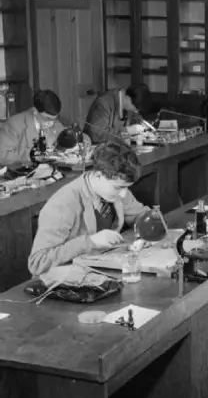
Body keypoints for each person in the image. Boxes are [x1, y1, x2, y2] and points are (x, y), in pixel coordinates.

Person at [28, 141, 148, 276]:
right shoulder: (63, 203)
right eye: (119, 187)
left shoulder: (117, 188)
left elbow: (143, 216)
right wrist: (90, 242)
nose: (124, 194)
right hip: (65, 281)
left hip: (99, 270)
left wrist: (146, 232)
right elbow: (37, 262)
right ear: (98, 175)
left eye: (127, 187)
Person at [0, 89, 66, 164]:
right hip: (23, 173)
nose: (52, 123)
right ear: (35, 111)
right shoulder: (14, 125)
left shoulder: (56, 124)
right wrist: (30, 155)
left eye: (55, 118)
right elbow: (2, 155)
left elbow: (65, 145)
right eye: (47, 118)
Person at [83, 84, 153, 144]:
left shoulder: (129, 104)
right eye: (135, 109)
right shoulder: (103, 103)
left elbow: (136, 119)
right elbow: (97, 134)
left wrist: (143, 129)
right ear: (128, 98)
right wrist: (127, 131)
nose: (136, 112)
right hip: (98, 150)